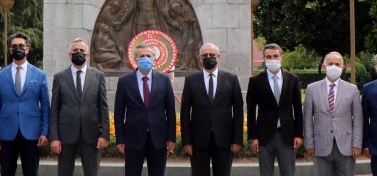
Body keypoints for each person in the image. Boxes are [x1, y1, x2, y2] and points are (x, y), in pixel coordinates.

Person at [0, 33, 50, 176]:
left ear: (27, 49)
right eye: (14, 46)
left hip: (31, 133)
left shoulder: (40, 75)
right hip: (6, 133)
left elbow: (46, 107)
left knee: (30, 172)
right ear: (10, 50)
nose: (18, 49)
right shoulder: (0, 76)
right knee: (6, 172)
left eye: (21, 46)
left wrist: (45, 132)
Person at [180, 43, 243, 176]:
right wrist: (186, 140)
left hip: (224, 139)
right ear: (200, 58)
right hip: (198, 140)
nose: (209, 57)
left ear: (218, 57)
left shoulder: (231, 79)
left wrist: (237, 139)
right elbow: (185, 112)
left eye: (212, 55)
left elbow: (238, 111)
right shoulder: (191, 80)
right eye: (205, 55)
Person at [114, 42, 176, 176]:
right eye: (142, 56)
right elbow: (119, 113)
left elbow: (171, 111)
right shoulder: (124, 81)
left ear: (154, 58)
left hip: (158, 139)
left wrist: (171, 137)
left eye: (148, 55)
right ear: (136, 59)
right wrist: (120, 138)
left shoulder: (164, 80)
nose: (145, 58)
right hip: (133, 139)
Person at [50, 38, 109, 176]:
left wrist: (104, 134)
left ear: (87, 55)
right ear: (70, 54)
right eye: (75, 50)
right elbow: (54, 110)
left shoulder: (98, 76)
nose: (78, 53)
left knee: (91, 173)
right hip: (65, 136)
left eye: (82, 50)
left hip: (91, 135)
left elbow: (103, 107)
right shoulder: (60, 77)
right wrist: (54, 137)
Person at [247, 43, 303, 176]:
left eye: (275, 56)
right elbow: (250, 111)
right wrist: (253, 137)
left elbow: (298, 110)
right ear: (264, 59)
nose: (272, 59)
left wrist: (299, 134)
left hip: (287, 136)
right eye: (269, 57)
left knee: (288, 172)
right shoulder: (255, 81)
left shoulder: (292, 79)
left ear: (281, 57)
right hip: (264, 136)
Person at [303, 52, 362, 176]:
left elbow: (358, 119)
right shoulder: (311, 89)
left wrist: (356, 144)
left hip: (346, 146)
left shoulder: (352, 89)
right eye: (330, 64)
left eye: (337, 64)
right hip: (320, 145)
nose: (334, 66)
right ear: (324, 66)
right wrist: (309, 142)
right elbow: (307, 118)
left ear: (343, 67)